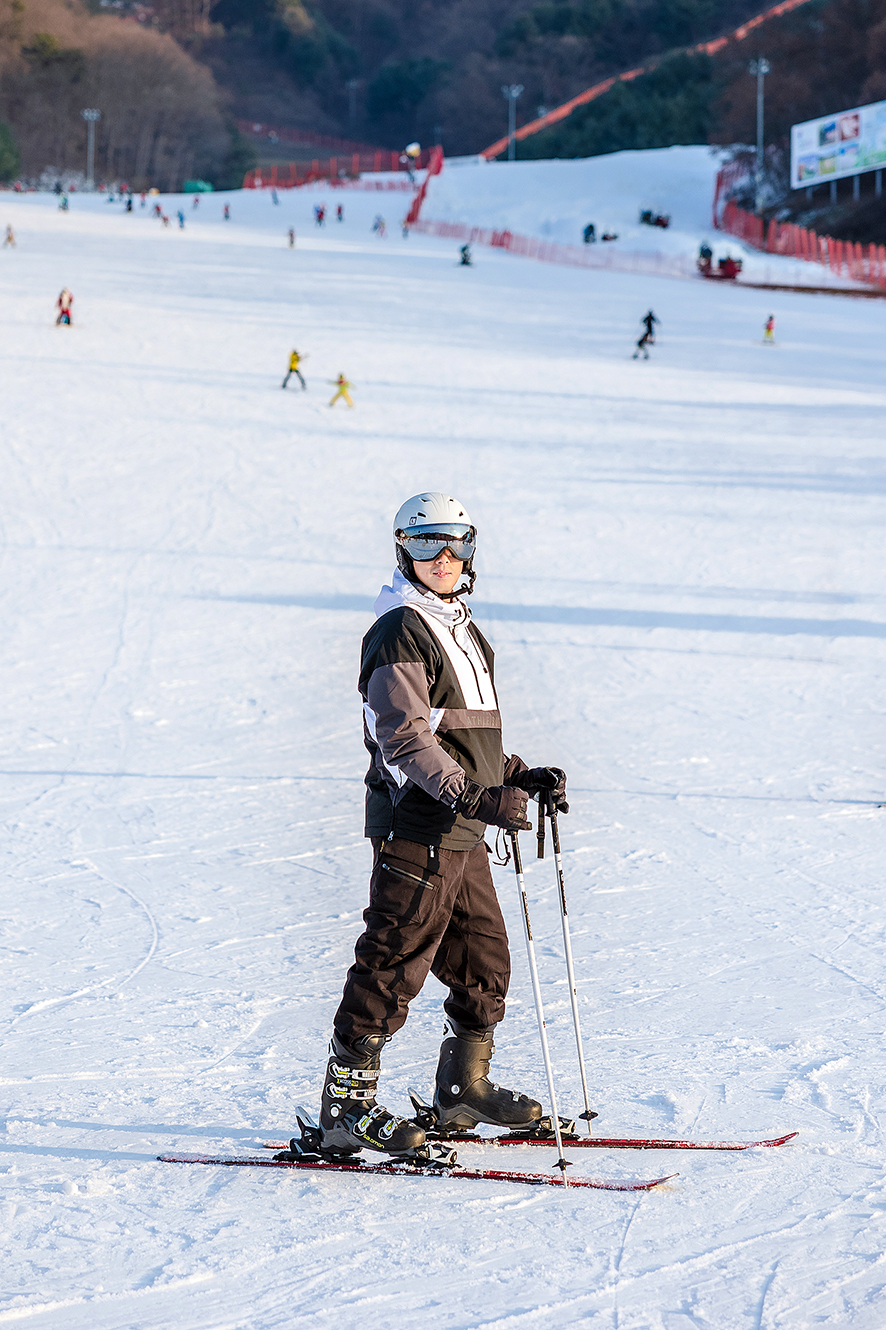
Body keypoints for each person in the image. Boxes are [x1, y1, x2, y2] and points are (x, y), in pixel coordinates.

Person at [317, 492, 568, 1158]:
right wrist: (475, 798)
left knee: (483, 958)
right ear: (405, 549)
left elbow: (465, 736)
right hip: (418, 823)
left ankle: (463, 1088)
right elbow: (404, 739)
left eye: (458, 544)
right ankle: (345, 1108)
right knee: (393, 960)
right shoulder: (401, 626)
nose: (445, 558)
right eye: (428, 544)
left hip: (459, 825)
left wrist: (515, 775)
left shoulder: (460, 626)